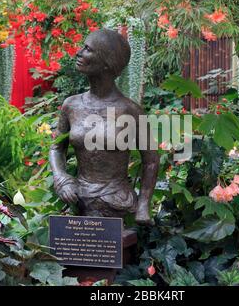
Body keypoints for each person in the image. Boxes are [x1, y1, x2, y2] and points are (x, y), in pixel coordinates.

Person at [49, 29, 159, 226]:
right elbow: (57, 147)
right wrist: (61, 178)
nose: (79, 53)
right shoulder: (71, 105)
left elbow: (150, 160)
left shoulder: (130, 110)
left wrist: (143, 206)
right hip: (79, 198)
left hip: (117, 201)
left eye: (88, 49)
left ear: (108, 63)